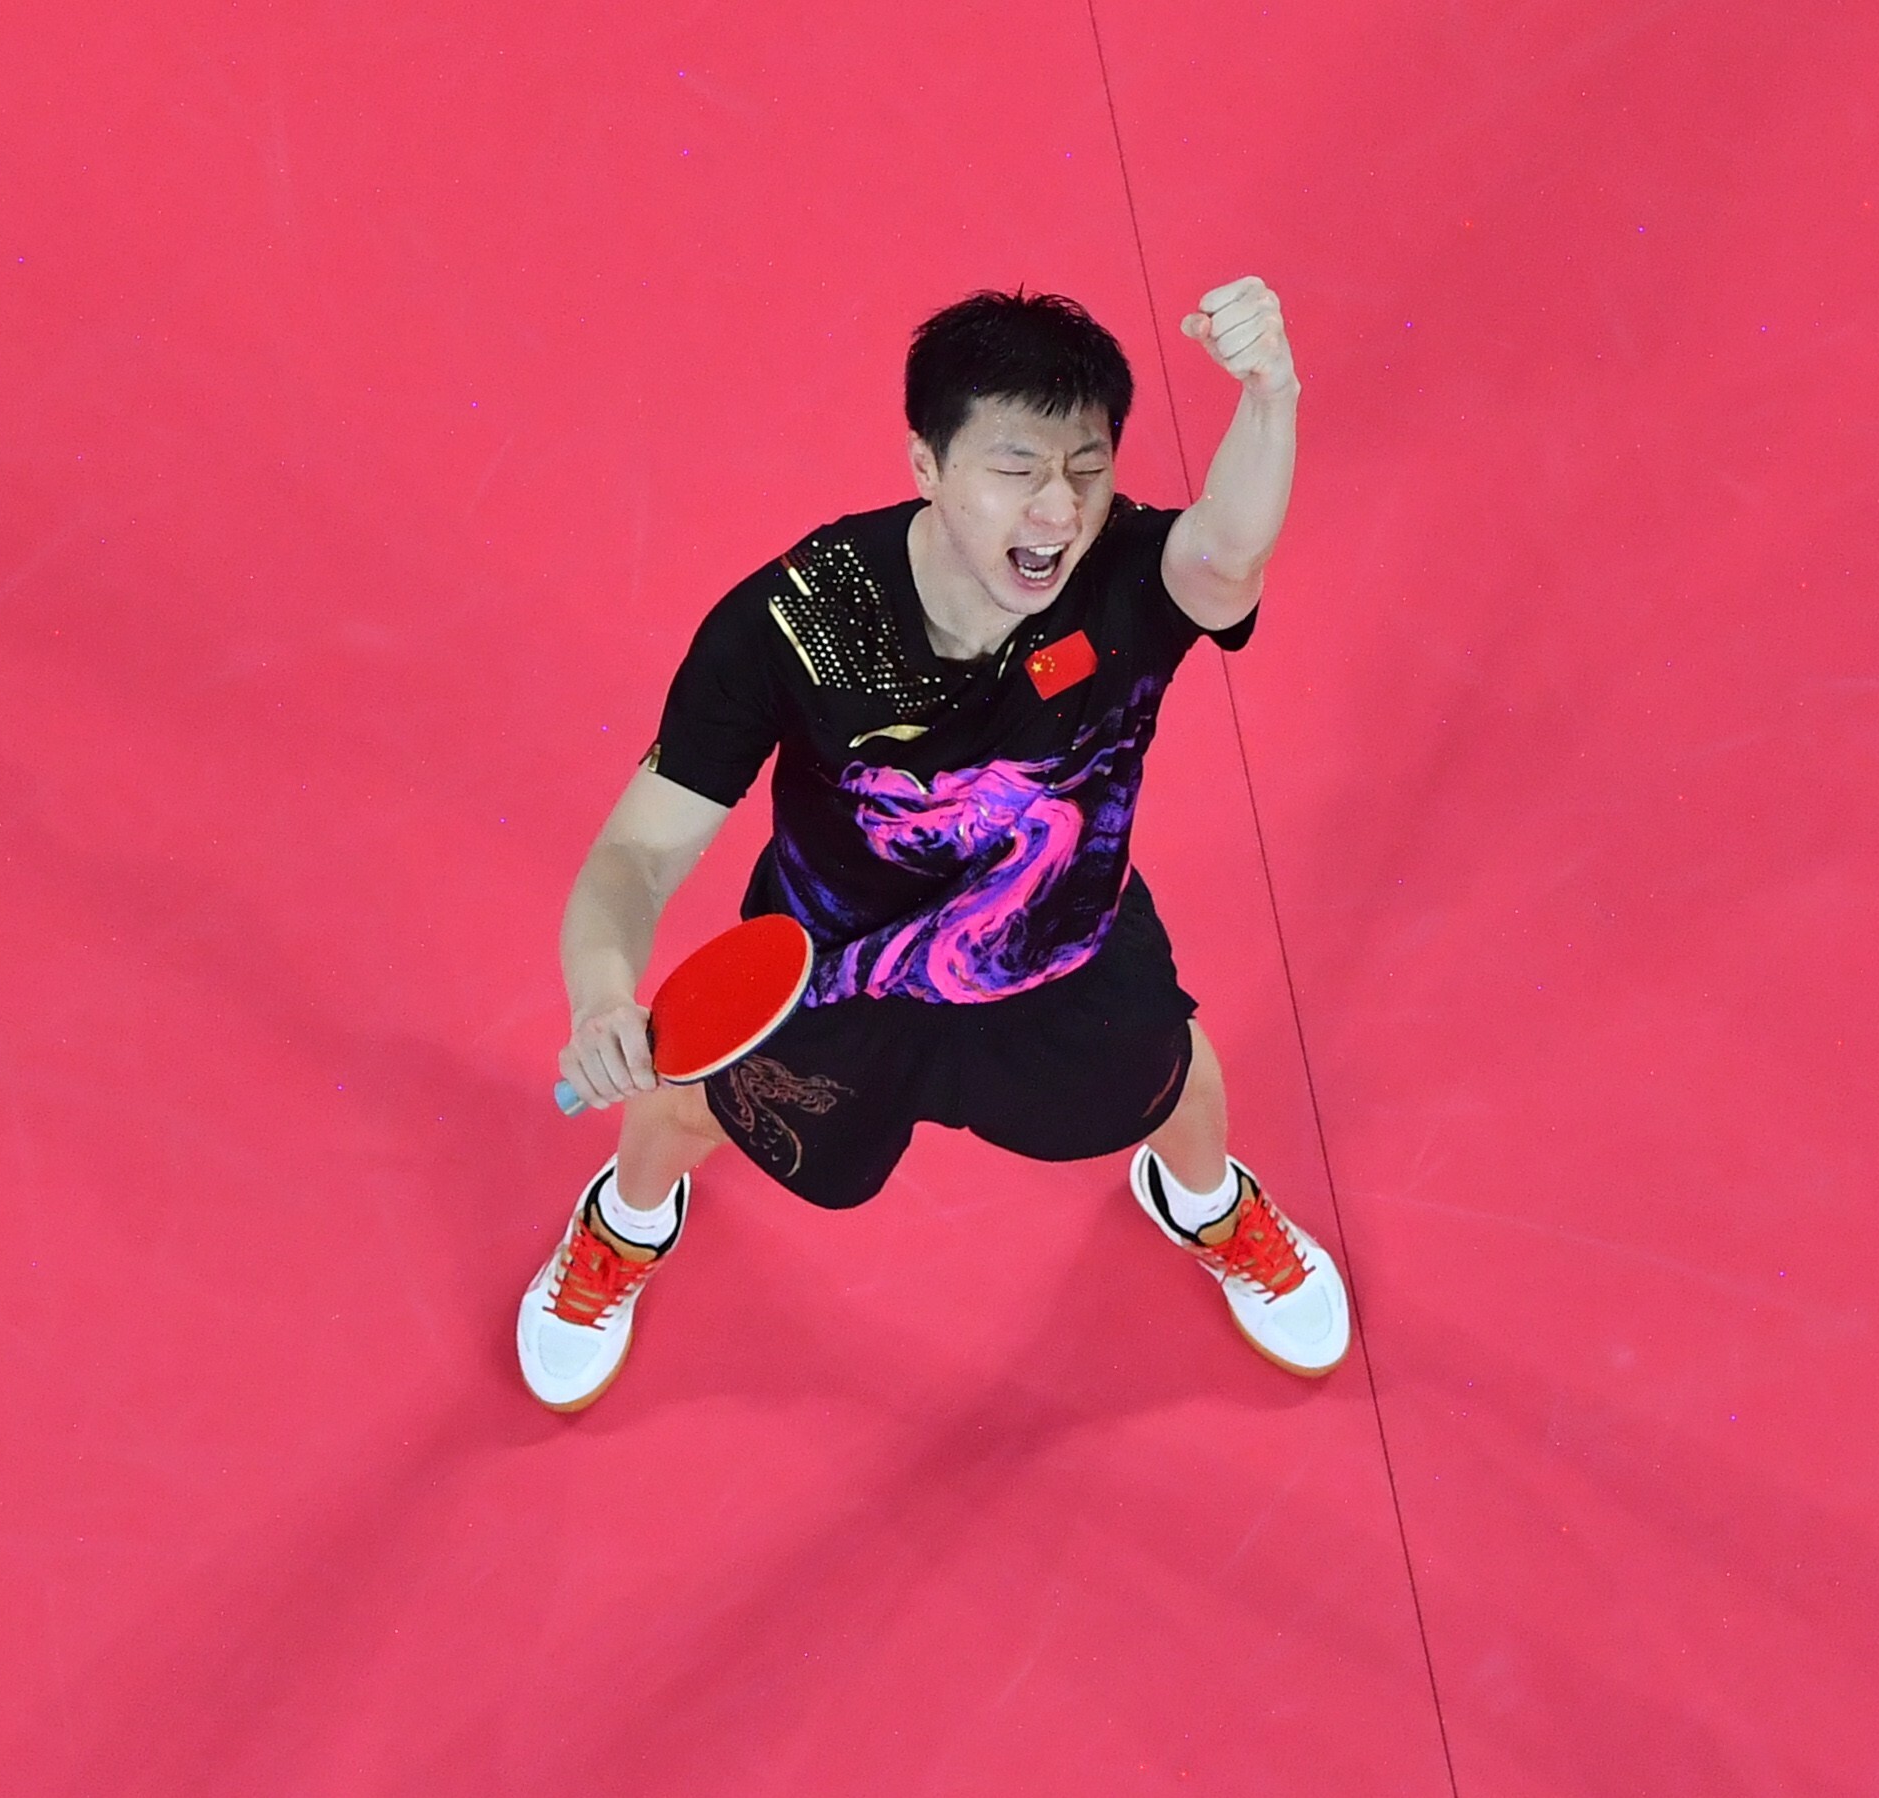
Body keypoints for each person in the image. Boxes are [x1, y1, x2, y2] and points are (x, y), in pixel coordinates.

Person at [517, 279, 1350, 1411]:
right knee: (675, 1102)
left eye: (1086, 467)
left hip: (1059, 947)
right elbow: (637, 858)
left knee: (1183, 1081)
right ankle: (626, 1222)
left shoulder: (1126, 579)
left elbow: (1231, 551)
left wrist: (1274, 395)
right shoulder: (796, 622)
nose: (1057, 511)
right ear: (927, 465)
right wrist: (603, 996)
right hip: (824, 964)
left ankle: (1201, 1202)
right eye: (1015, 469)